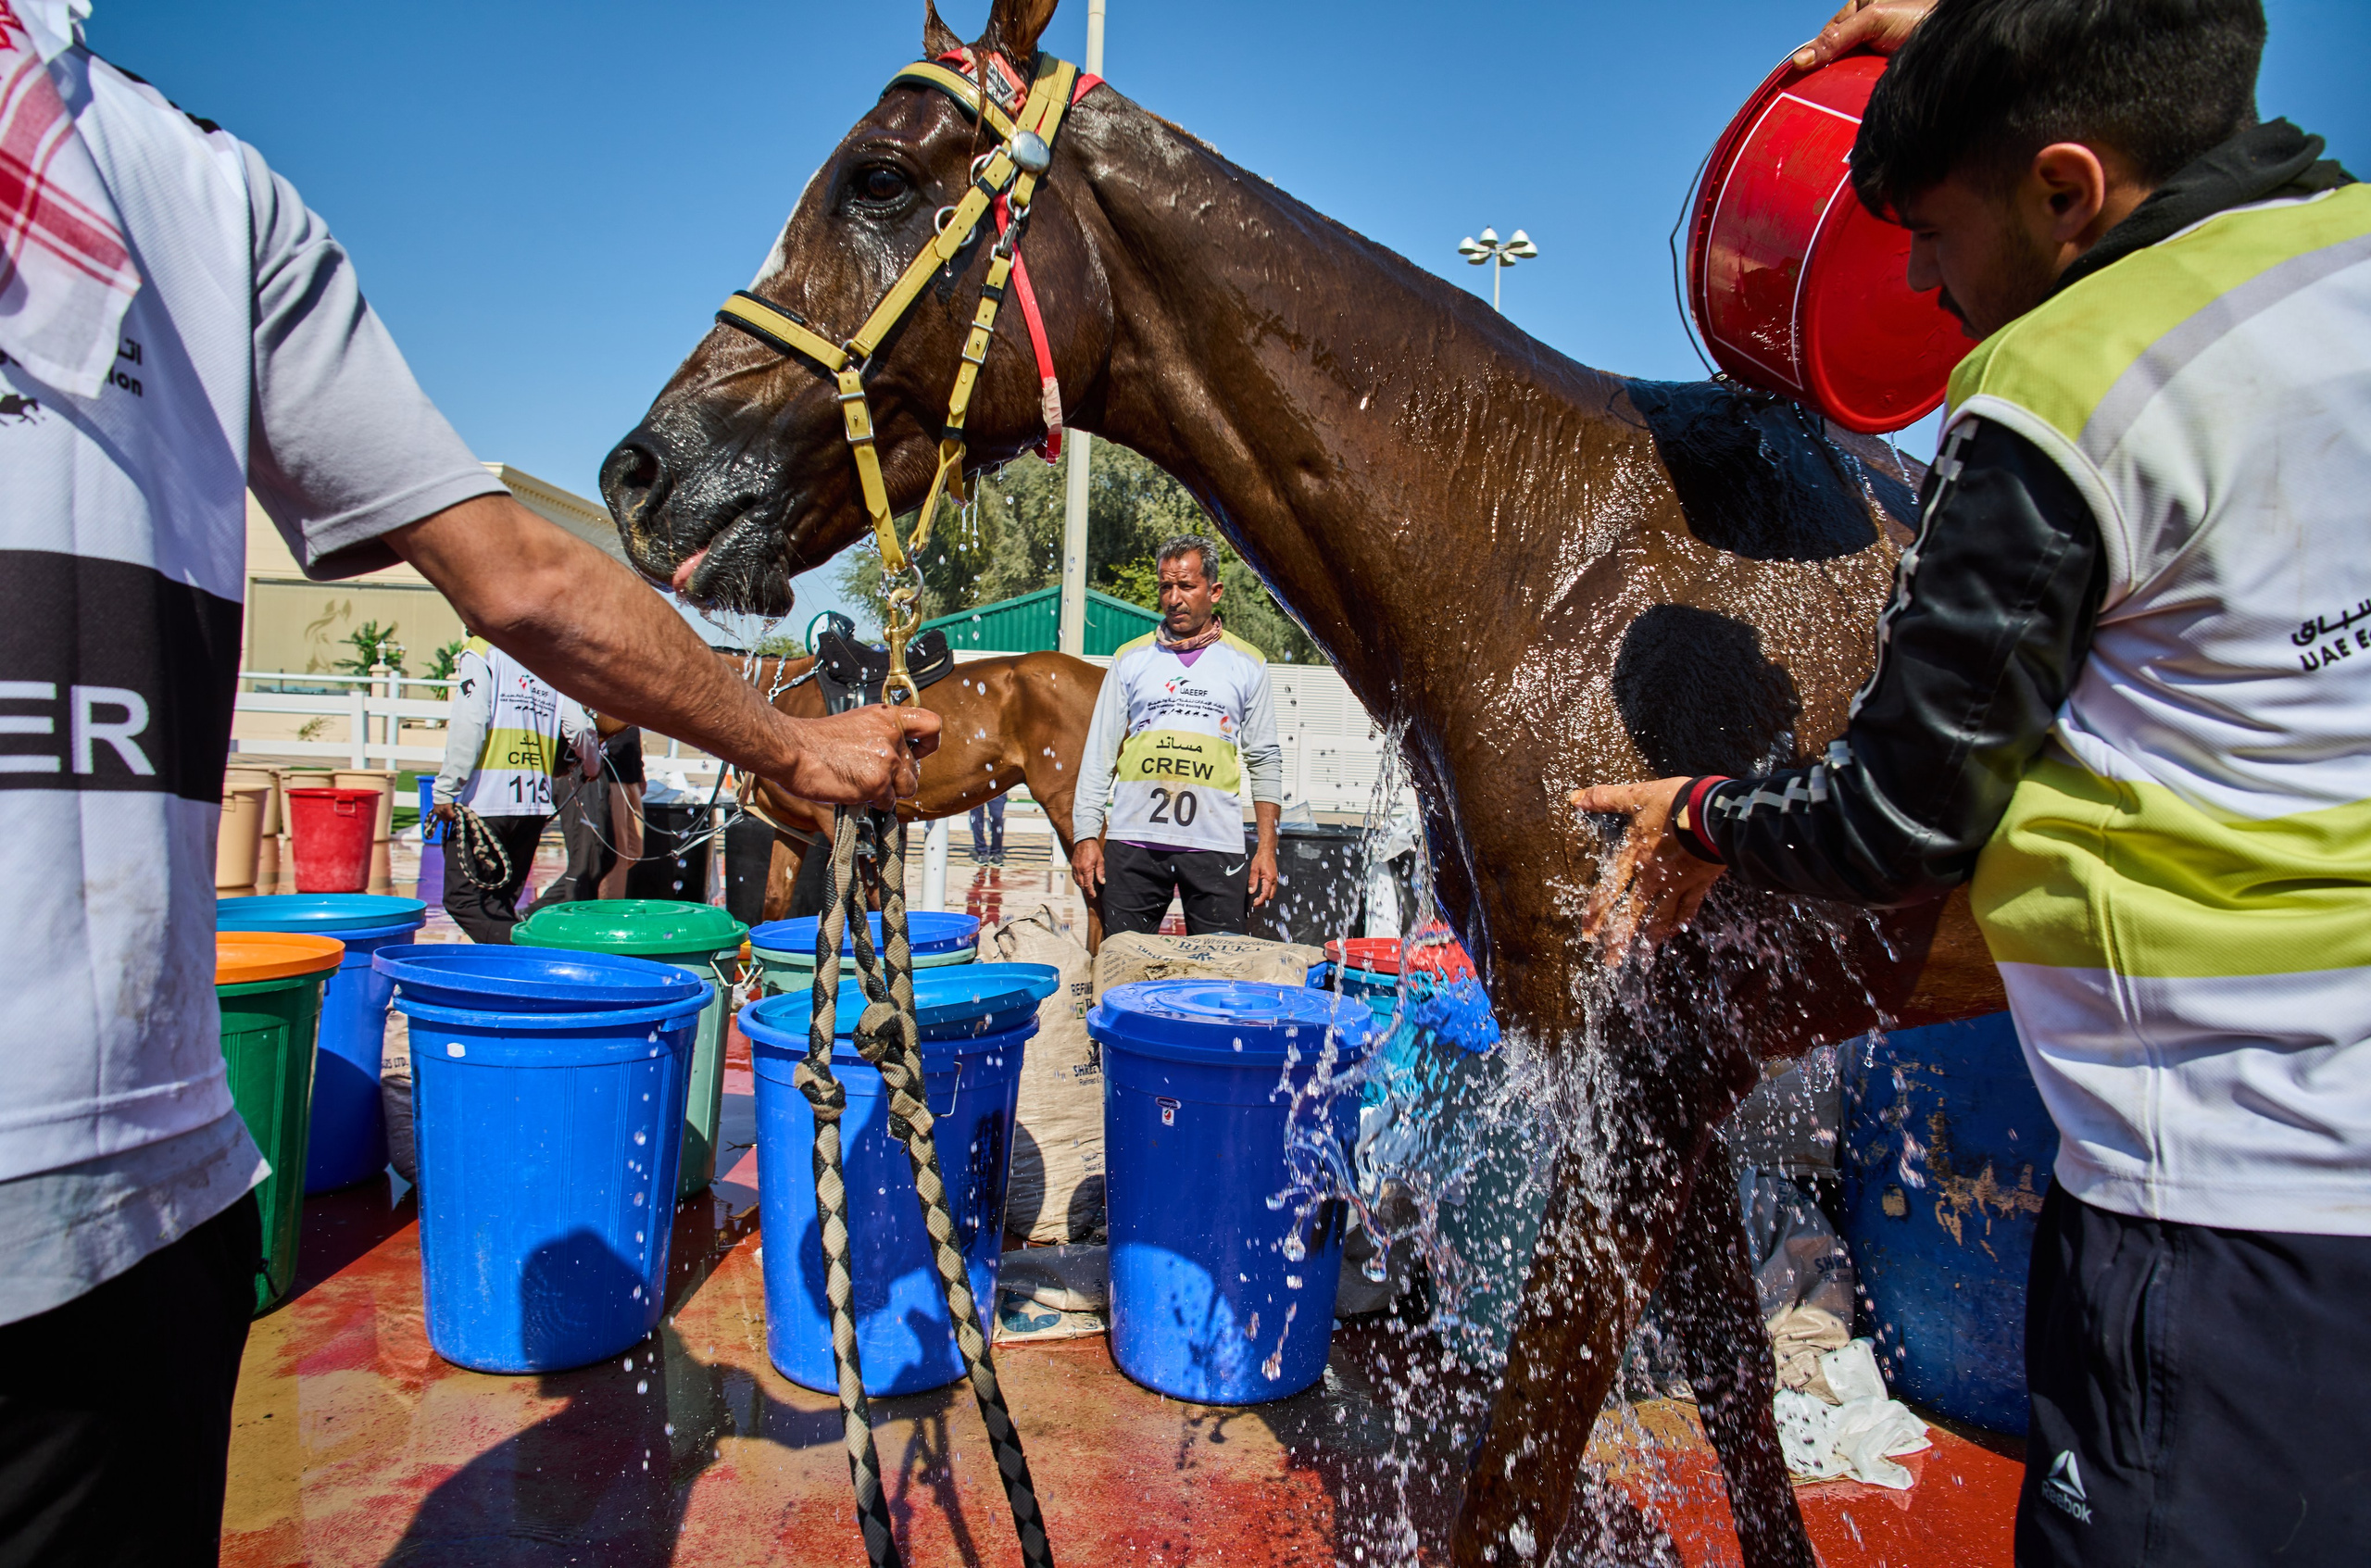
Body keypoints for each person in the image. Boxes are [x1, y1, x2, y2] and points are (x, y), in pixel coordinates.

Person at [0, 8, 936, 1563]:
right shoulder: (199, 193)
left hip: (141, 1203)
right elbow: (517, 595)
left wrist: (769, 751)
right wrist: (787, 747)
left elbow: (525, 600)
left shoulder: (205, 201)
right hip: (145, 1194)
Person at [1578, 2, 2368, 1562]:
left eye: (1932, 235)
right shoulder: (2340, 254)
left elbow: (1899, 815)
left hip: (2214, 1205)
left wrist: (1704, 813)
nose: (1924, 285)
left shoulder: (2064, 388)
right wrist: (1999, 39)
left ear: (2068, 192)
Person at [1071, 538, 1282, 936]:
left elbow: (1265, 759)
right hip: (1134, 844)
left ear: (1214, 591)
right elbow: (1099, 755)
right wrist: (1085, 835)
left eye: (1186, 586)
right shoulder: (1130, 659)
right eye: (1166, 587)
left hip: (1216, 845)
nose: (1174, 598)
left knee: (1221, 978)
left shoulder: (1247, 663)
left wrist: (1267, 849)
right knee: (1122, 970)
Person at [429, 635, 597, 940]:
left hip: (486, 801)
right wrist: (591, 767)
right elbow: (580, 726)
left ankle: (532, 957)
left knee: (463, 900)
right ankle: (508, 977)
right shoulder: (547, 658)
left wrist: (445, 789)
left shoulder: (483, 650)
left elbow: (471, 720)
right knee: (499, 903)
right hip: (533, 805)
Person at [970, 788, 1007, 865]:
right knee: (976, 819)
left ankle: (996, 852)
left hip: (997, 786)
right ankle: (981, 851)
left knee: (997, 817)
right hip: (977, 786)